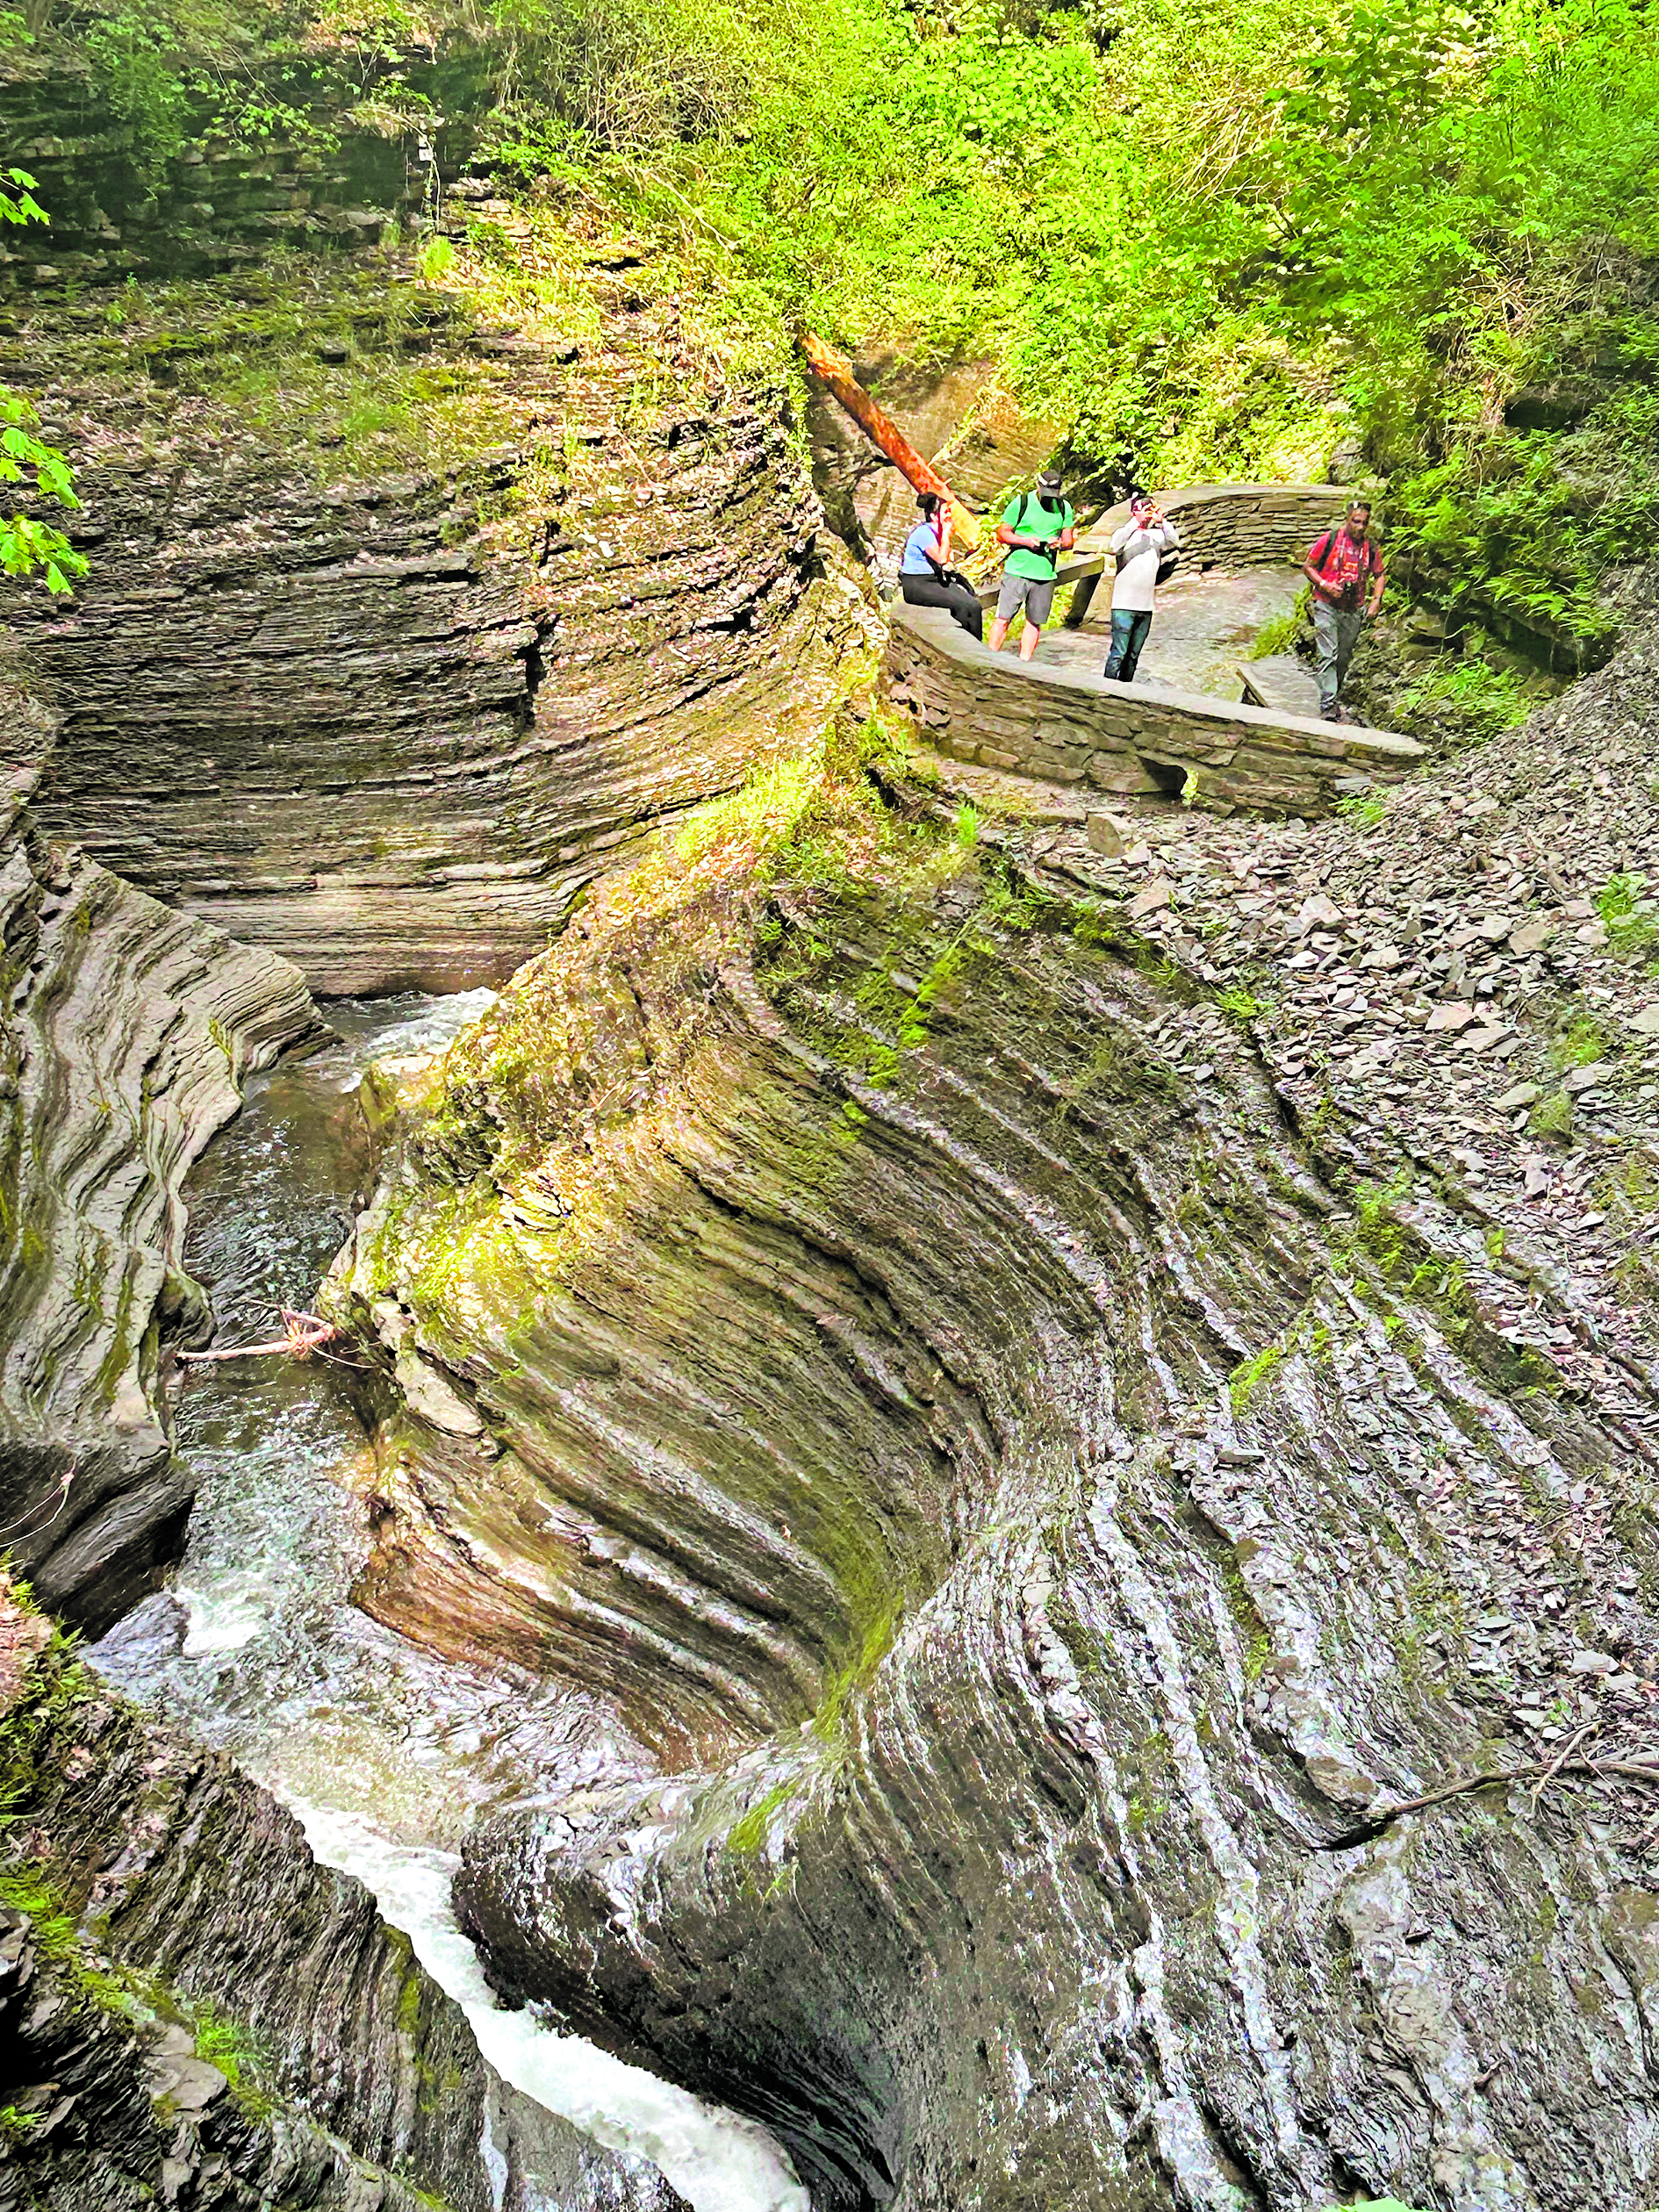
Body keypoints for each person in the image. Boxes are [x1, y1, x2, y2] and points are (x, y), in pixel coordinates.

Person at [1303, 500, 1385, 721]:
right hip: (1326, 605)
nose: (1360, 527)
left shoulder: (1371, 547)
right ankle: (1328, 704)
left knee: (1344, 657)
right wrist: (1324, 584)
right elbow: (1308, 566)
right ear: (1347, 520)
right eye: (1356, 521)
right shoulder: (1329, 540)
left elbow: (1379, 575)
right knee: (1328, 654)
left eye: (1364, 523)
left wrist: (1376, 600)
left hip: (1353, 609)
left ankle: (1333, 695)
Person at [988, 467, 1075, 661]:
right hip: (1018, 570)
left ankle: (1024, 662)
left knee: (1034, 621)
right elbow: (1003, 533)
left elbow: (1069, 540)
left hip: (1045, 574)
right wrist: (1026, 541)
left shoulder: (1064, 508)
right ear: (1037, 485)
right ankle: (989, 658)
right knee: (1003, 618)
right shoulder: (1021, 503)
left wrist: (1059, 543)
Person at [1103, 493, 1180, 682]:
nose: (1145, 513)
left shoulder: (1156, 536)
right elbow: (1114, 546)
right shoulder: (1125, 534)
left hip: (1146, 606)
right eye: (1140, 508)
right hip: (1123, 605)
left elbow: (1174, 541)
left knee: (1133, 656)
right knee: (1118, 653)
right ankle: (1106, 687)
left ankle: (1126, 688)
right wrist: (1135, 522)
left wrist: (1161, 521)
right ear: (1132, 512)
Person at [898, 491, 983, 642]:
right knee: (963, 605)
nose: (949, 516)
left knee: (974, 605)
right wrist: (946, 534)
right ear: (934, 516)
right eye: (946, 512)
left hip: (933, 580)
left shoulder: (936, 533)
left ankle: (977, 645)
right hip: (917, 584)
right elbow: (941, 558)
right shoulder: (923, 533)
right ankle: (964, 645)